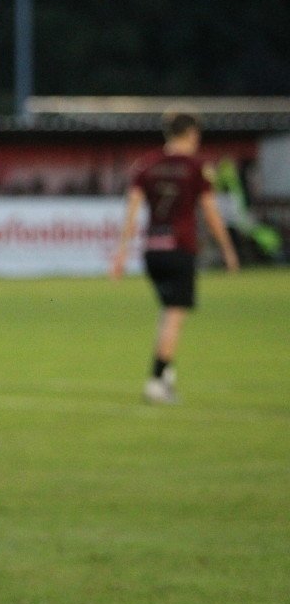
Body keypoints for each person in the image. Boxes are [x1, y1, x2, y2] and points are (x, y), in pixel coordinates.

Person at [110, 111, 240, 404]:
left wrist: (120, 253)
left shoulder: (147, 165)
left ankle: (167, 377)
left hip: (152, 250)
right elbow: (210, 212)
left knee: (167, 312)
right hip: (180, 248)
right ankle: (156, 381)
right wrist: (228, 249)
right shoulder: (196, 167)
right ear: (192, 134)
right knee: (174, 316)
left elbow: (131, 211)